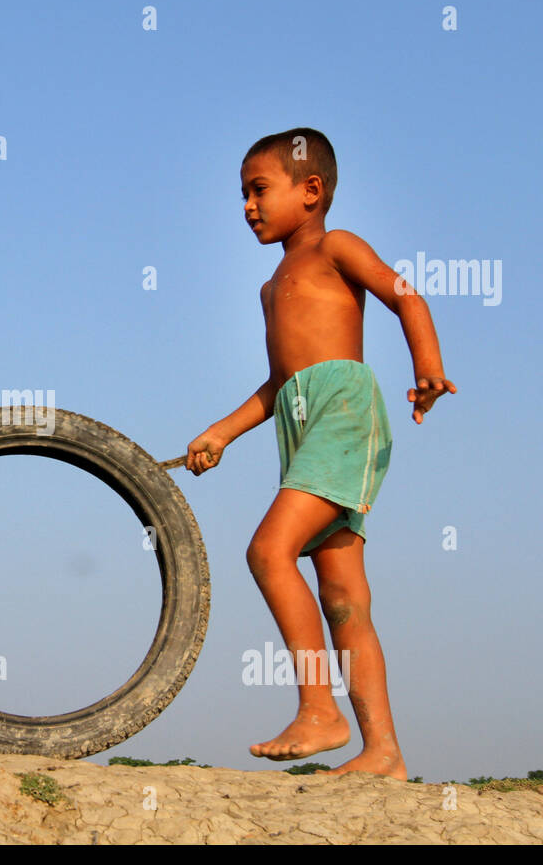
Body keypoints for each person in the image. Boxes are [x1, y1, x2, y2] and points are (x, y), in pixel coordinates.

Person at [186, 128, 455, 779]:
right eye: (242, 194)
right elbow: (280, 385)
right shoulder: (269, 288)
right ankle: (384, 753)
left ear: (310, 190)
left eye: (259, 189)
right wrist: (221, 431)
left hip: (343, 414)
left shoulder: (336, 247)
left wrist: (428, 366)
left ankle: (318, 708)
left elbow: (404, 296)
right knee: (343, 596)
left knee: (268, 550)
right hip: (301, 422)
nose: (247, 205)